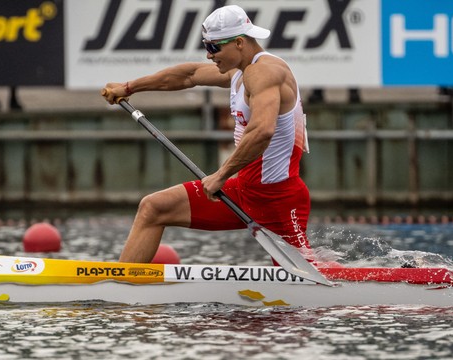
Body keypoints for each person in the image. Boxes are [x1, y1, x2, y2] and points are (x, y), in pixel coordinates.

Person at [101, 5, 312, 264]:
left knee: (305, 279)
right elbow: (188, 75)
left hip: (277, 199)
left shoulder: (266, 72)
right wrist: (129, 87)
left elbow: (262, 131)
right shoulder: (240, 72)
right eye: (206, 46)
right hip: (244, 191)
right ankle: (121, 287)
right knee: (154, 208)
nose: (209, 54)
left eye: (214, 47)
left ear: (238, 42)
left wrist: (221, 175)